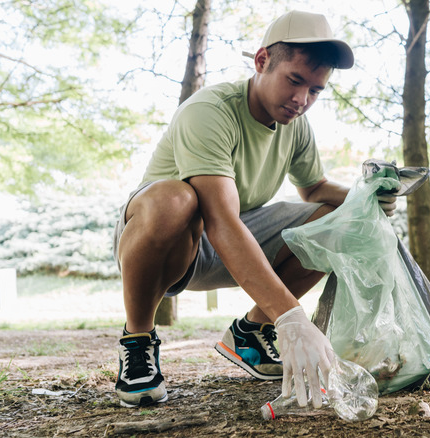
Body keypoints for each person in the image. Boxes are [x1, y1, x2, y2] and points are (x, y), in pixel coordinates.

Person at [111, 10, 397, 409]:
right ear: (262, 61)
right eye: (294, 80)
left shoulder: (294, 125)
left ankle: (251, 333)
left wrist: (367, 198)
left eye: (315, 90)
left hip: (235, 232)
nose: (302, 100)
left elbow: (314, 188)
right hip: (170, 237)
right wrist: (293, 318)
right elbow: (220, 219)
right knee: (178, 198)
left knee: (342, 217)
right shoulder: (210, 110)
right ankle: (138, 339)